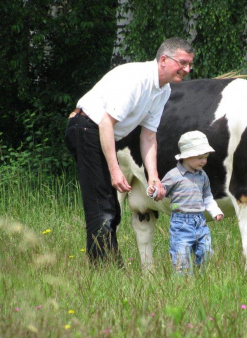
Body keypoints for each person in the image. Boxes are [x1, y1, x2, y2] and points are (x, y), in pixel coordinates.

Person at [65, 37, 194, 266]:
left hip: (101, 133)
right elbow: (105, 123)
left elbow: (148, 136)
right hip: (86, 128)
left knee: (110, 206)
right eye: (182, 63)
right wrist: (115, 171)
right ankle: (103, 269)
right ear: (163, 60)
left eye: (190, 64)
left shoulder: (162, 91)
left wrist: (153, 176)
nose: (187, 69)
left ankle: (110, 266)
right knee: (101, 205)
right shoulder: (138, 80)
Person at [147, 131, 224, 273]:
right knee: (181, 256)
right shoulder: (173, 175)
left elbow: (207, 196)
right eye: (200, 157)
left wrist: (215, 211)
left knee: (206, 251)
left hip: (200, 221)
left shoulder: (203, 176)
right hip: (181, 223)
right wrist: (155, 191)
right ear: (187, 157)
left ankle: (201, 276)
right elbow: (162, 190)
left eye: (206, 157)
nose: (204, 161)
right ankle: (183, 283)